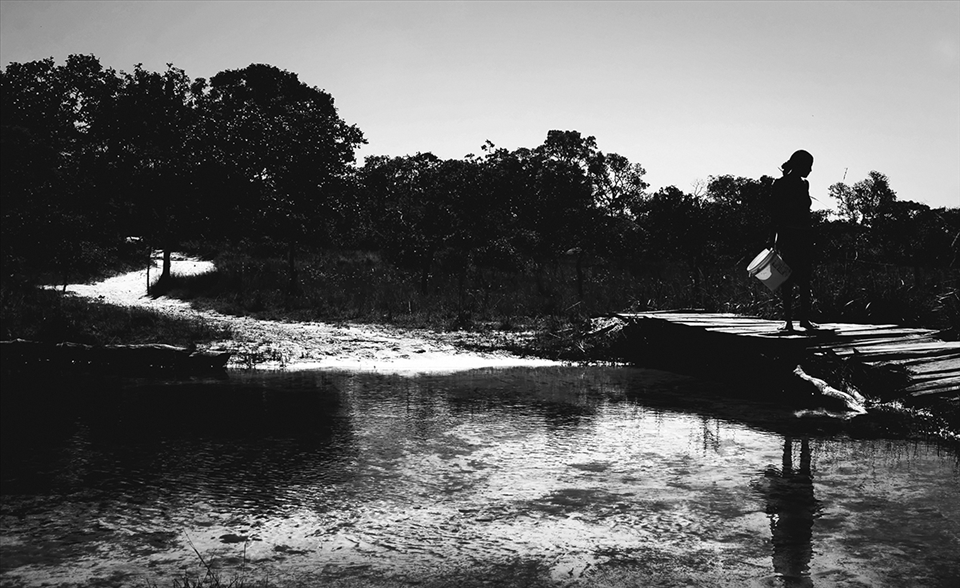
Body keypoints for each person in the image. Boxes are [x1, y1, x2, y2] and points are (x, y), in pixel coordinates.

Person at [771, 149, 816, 332]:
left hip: (803, 235)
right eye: (808, 166)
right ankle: (789, 321)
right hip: (789, 236)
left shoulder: (804, 184)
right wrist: (774, 239)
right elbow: (775, 213)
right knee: (787, 278)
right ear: (799, 165)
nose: (810, 170)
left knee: (805, 279)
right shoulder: (780, 184)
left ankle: (803, 320)